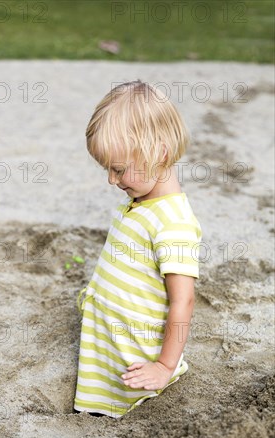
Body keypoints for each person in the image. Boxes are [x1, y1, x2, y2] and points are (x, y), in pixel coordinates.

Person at [73, 80, 202, 419]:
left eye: (118, 169)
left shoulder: (173, 222)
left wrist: (163, 365)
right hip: (109, 349)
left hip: (138, 366)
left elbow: (183, 300)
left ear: (159, 153)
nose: (112, 181)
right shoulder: (139, 203)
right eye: (108, 170)